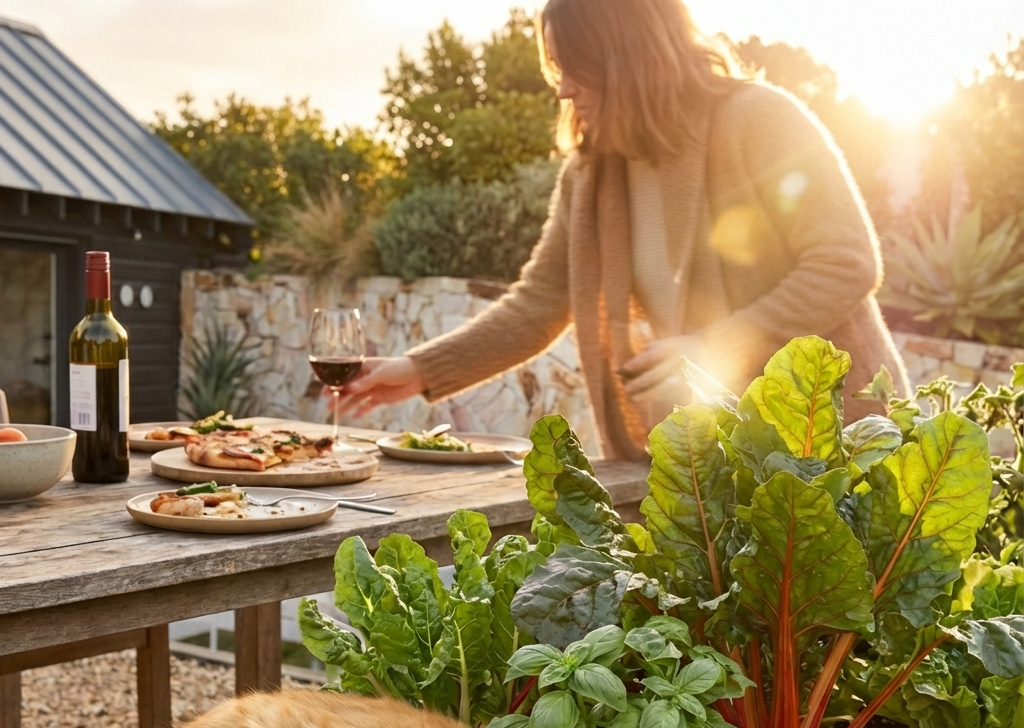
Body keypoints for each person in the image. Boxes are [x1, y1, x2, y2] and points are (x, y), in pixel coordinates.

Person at [335, 0, 909, 460]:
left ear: (628, 56)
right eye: (556, 68)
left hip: (834, 443)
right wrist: (419, 370)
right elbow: (539, 302)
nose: (561, 89)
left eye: (574, 67)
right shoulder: (590, 175)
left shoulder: (760, 119)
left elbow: (845, 261)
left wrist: (715, 346)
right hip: (714, 457)